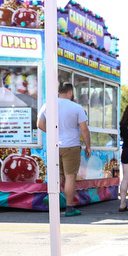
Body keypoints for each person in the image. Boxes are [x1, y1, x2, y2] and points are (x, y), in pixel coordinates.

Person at [37, 82, 92, 217]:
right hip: (71, 146)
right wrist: (88, 146)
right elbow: (84, 129)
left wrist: (53, 133)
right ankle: (69, 207)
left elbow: (39, 124)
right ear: (70, 92)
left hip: (55, 146)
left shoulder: (48, 104)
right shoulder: (76, 107)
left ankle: (51, 199)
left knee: (59, 175)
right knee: (70, 176)